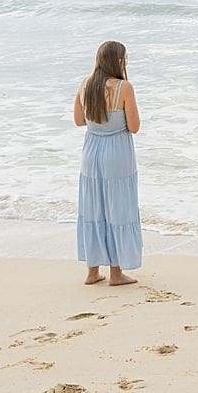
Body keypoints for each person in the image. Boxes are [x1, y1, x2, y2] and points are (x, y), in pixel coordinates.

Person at [73, 40, 142, 286]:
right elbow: (134, 127)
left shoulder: (85, 84)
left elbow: (79, 121)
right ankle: (116, 273)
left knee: (94, 208)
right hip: (117, 155)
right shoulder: (124, 87)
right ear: (118, 61)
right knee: (118, 209)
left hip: (91, 153)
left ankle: (92, 272)